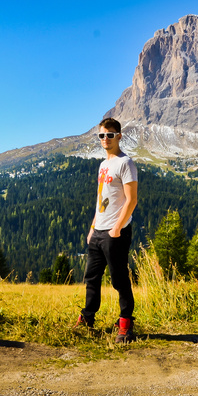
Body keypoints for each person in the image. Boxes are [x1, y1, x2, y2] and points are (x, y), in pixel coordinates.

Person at [78, 118, 139, 343]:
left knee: (119, 279)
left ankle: (125, 323)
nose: (105, 139)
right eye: (102, 135)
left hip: (116, 232)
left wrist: (115, 229)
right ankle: (87, 317)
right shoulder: (103, 165)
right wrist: (93, 227)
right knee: (91, 277)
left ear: (119, 137)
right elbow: (101, 198)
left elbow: (131, 200)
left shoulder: (126, 163)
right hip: (98, 231)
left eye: (110, 135)